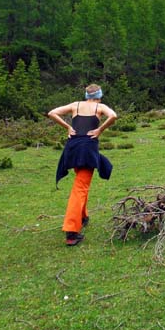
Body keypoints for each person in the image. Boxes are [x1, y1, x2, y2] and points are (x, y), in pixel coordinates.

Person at [48, 84, 118, 246]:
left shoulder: (75, 105)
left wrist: (67, 127)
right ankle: (72, 232)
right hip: (87, 148)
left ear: (86, 95)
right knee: (80, 187)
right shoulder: (100, 107)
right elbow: (113, 116)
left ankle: (82, 216)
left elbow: (52, 113)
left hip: (72, 147)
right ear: (99, 95)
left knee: (81, 182)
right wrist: (100, 130)